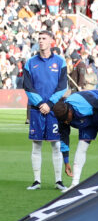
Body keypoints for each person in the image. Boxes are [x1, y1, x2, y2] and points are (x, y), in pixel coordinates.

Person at [23, 30, 69, 191]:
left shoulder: (60, 62)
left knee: (56, 144)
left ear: (51, 41)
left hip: (54, 109)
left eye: (44, 38)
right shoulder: (30, 62)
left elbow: (63, 86)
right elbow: (27, 86)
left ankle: (58, 181)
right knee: (36, 144)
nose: (41, 41)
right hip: (37, 109)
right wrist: (41, 103)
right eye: (39, 38)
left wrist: (49, 103)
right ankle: (37, 180)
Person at [50, 89, 98, 188]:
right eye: (63, 121)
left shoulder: (88, 105)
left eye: (66, 119)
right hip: (89, 120)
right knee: (81, 147)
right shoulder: (62, 118)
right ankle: (75, 183)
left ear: (70, 112)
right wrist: (66, 162)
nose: (66, 122)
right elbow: (64, 139)